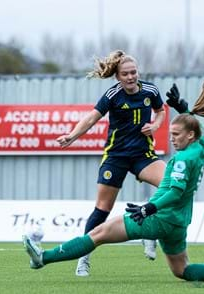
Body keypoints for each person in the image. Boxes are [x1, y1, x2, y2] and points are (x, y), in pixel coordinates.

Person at [24, 74, 204, 285]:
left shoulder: (181, 160)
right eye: (170, 135)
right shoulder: (202, 148)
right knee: (182, 269)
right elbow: (197, 129)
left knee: (99, 234)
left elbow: (175, 192)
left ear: (189, 135)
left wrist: (148, 208)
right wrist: (183, 107)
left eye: (176, 135)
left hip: (160, 217)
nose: (172, 140)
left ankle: (42, 258)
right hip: (179, 220)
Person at [55, 50, 165, 276]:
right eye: (125, 74)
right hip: (116, 157)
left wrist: (155, 126)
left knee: (168, 186)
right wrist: (72, 135)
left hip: (143, 155)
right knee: (102, 209)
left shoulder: (151, 90)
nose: (131, 77)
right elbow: (91, 118)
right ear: (117, 77)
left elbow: (160, 111)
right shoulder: (113, 94)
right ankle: (83, 258)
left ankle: (148, 232)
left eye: (134, 72)